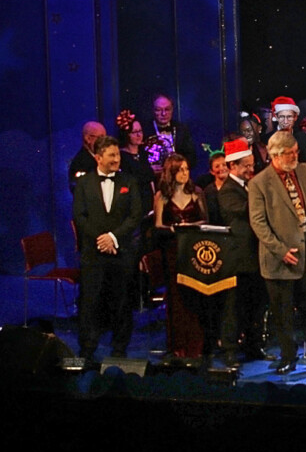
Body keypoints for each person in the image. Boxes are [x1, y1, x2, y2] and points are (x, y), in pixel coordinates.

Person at [248, 129, 306, 375]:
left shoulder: (305, 171)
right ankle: (288, 358)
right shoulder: (259, 183)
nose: (296, 155)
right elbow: (259, 224)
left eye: (296, 151)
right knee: (283, 315)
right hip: (279, 260)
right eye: (290, 153)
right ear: (276, 155)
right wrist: (280, 250)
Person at [72, 136, 147, 362]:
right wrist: (101, 240)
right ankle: (87, 349)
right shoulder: (84, 184)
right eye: (112, 155)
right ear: (98, 157)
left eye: (117, 154)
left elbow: (135, 216)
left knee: (121, 301)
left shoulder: (129, 181)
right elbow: (79, 216)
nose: (116, 159)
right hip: (93, 253)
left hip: (121, 251)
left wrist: (113, 237)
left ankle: (119, 348)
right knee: (90, 301)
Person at [153, 154, 210, 358]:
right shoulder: (161, 196)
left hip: (195, 250)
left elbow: (205, 221)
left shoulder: (196, 193)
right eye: (180, 170)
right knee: (177, 298)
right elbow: (158, 226)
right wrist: (175, 229)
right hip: (172, 251)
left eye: (187, 169)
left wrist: (190, 227)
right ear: (171, 173)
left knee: (196, 296)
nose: (185, 174)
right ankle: (178, 345)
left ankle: (198, 344)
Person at [214, 138, 264, 365]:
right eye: (246, 165)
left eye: (252, 164)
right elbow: (247, 210)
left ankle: (254, 347)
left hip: (255, 256)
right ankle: (230, 350)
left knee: (255, 304)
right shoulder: (227, 191)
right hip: (238, 258)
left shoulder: (247, 186)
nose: (251, 169)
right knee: (234, 306)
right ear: (232, 166)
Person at [151, 93, 197, 170]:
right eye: (158, 110)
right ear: (153, 110)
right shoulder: (144, 130)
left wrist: (178, 162)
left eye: (167, 109)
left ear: (172, 110)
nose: (163, 113)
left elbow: (192, 158)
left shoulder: (182, 129)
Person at [67, 120, 106, 192]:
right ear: (88, 139)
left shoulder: (103, 158)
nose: (105, 142)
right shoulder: (80, 163)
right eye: (101, 137)